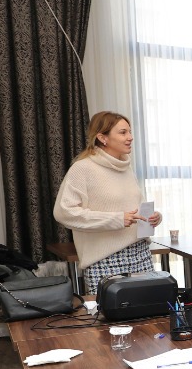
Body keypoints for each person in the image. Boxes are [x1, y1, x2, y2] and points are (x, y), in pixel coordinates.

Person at [53, 111, 163, 296]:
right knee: (111, 321)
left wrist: (153, 217)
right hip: (105, 259)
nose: (130, 137)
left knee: (147, 315)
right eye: (123, 132)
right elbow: (64, 212)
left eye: (129, 132)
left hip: (140, 252)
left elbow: (135, 208)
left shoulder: (126, 168)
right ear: (102, 138)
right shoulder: (83, 168)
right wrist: (116, 219)